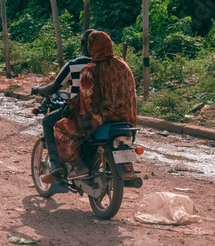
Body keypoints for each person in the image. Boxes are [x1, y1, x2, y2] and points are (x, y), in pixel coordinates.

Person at [53, 30, 137, 179]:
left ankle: (78, 166)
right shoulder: (123, 65)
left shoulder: (89, 69)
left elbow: (86, 104)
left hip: (100, 120)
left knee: (61, 126)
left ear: (92, 47)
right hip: (127, 120)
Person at [31, 29, 95, 183]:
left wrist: (38, 89)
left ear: (82, 44)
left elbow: (53, 88)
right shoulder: (105, 66)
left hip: (78, 113)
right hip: (101, 113)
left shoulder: (73, 65)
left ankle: (56, 165)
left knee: (48, 122)